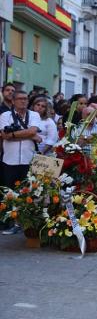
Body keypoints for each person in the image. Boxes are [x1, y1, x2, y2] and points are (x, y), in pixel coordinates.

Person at [0, 91, 42, 235]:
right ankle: (12, 222)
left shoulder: (34, 115)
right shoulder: (5, 116)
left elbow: (33, 131)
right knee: (11, 193)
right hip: (10, 160)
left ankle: (25, 223)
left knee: (28, 192)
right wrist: (29, 135)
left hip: (28, 160)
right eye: (20, 99)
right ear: (13, 101)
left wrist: (12, 135)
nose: (23, 101)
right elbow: (4, 135)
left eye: (25, 99)